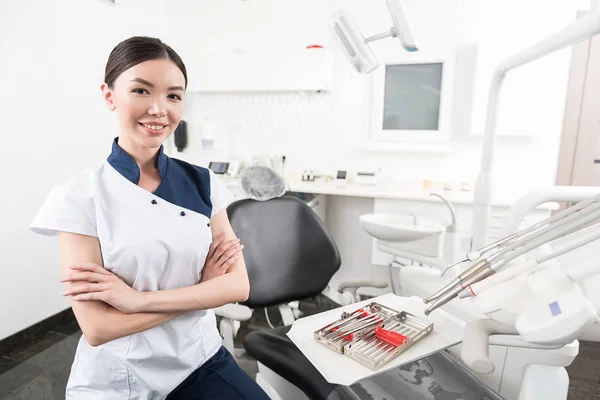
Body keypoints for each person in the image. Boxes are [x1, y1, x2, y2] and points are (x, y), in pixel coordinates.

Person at [29, 36, 271, 400]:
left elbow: (238, 287)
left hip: (199, 359)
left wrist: (136, 301)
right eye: (142, 91)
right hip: (120, 379)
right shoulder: (79, 196)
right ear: (109, 95)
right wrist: (203, 291)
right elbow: (98, 327)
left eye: (174, 95)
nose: (159, 109)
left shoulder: (203, 183)